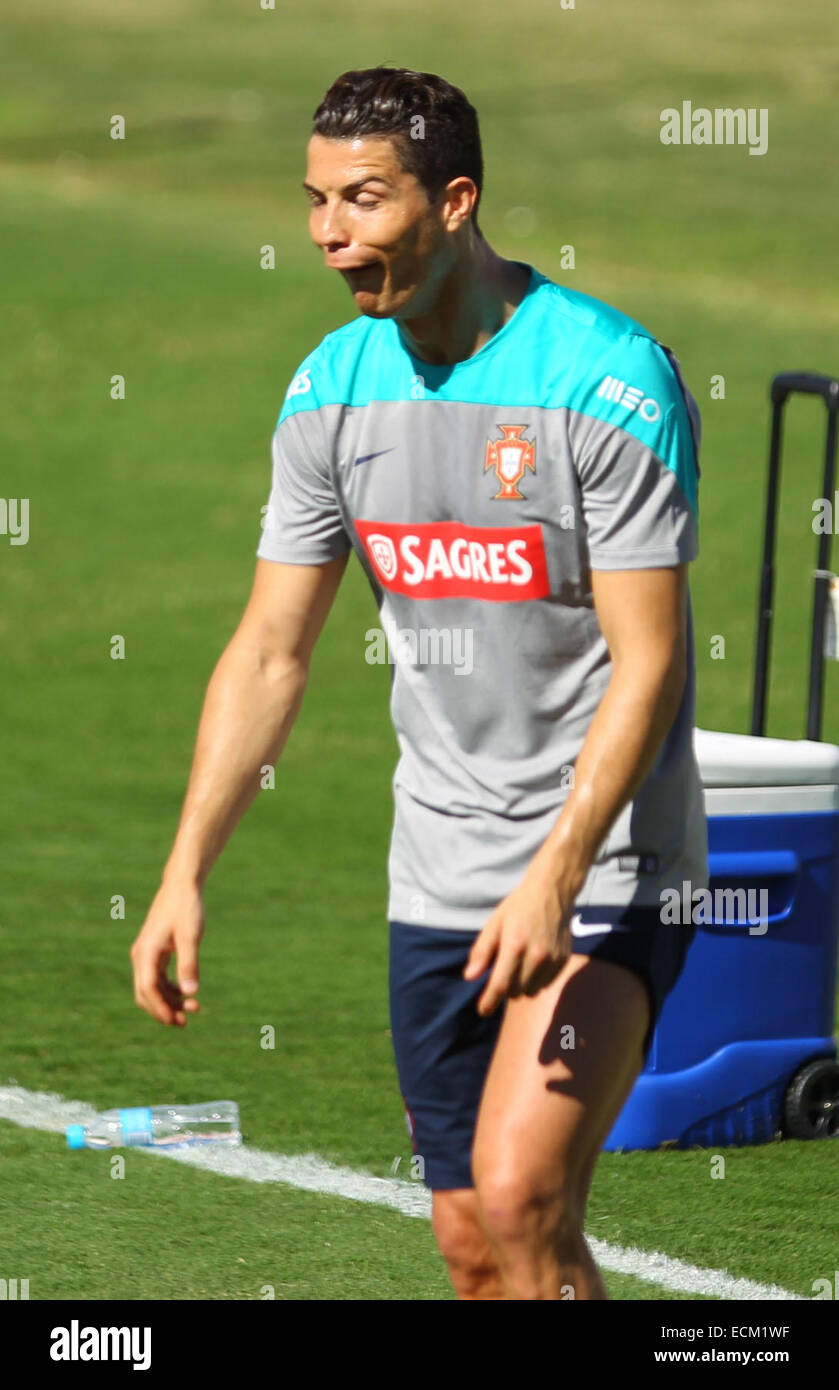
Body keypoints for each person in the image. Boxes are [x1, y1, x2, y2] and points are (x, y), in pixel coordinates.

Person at [130, 65, 708, 1301]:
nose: (330, 233)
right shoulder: (332, 391)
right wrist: (184, 871)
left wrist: (555, 874)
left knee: (519, 1195)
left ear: (453, 202)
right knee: (468, 1242)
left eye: (364, 200)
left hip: (603, 865)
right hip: (436, 867)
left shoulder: (602, 383)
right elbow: (271, 649)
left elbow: (648, 660)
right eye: (316, 200)